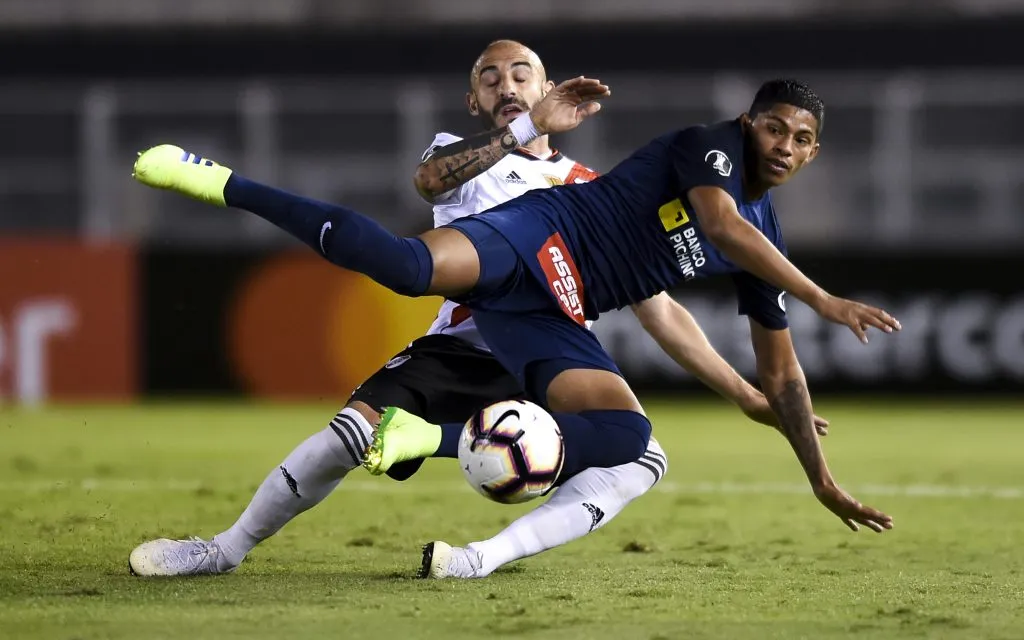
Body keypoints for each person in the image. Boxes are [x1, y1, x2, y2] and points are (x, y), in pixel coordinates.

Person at [127, 41, 814, 578]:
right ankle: (224, 549)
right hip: (462, 343)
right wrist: (523, 132)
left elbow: (657, 308)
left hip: (545, 348)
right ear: (472, 99)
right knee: (349, 436)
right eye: (490, 76)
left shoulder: (592, 188)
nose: (506, 84)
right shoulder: (467, 157)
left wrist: (743, 391)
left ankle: (479, 556)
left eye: (522, 73)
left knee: (640, 456)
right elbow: (429, 181)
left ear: (547, 87)